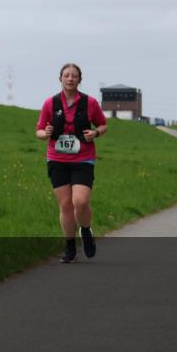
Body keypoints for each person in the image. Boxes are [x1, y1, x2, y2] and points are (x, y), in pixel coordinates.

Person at [36, 63, 107, 263]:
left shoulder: (90, 103)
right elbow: (39, 130)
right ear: (60, 78)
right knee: (66, 205)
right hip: (57, 159)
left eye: (74, 76)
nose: (70, 78)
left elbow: (103, 124)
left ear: (79, 79)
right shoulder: (50, 103)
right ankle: (70, 248)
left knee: (80, 202)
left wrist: (95, 133)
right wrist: (45, 134)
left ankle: (85, 230)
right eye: (66, 75)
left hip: (83, 158)